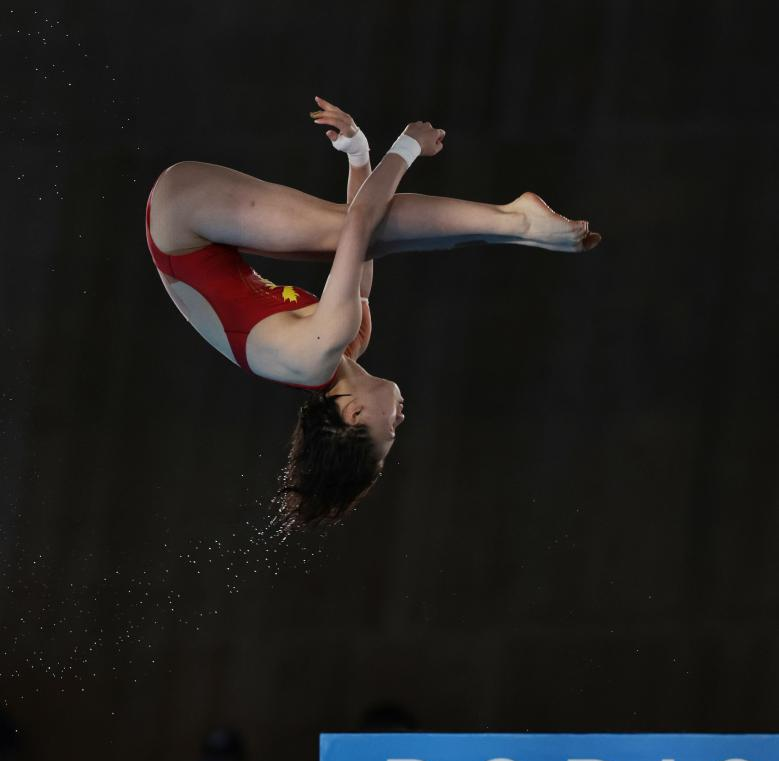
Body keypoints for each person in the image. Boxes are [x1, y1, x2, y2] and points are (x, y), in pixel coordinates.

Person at [145, 97, 600, 526]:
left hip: (181, 216)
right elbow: (362, 245)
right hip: (204, 238)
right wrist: (357, 155)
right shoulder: (352, 340)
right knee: (357, 238)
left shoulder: (318, 348)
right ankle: (516, 227)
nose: (401, 420)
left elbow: (359, 222)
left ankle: (518, 222)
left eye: (390, 435)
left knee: (346, 231)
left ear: (356, 416)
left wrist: (408, 145)